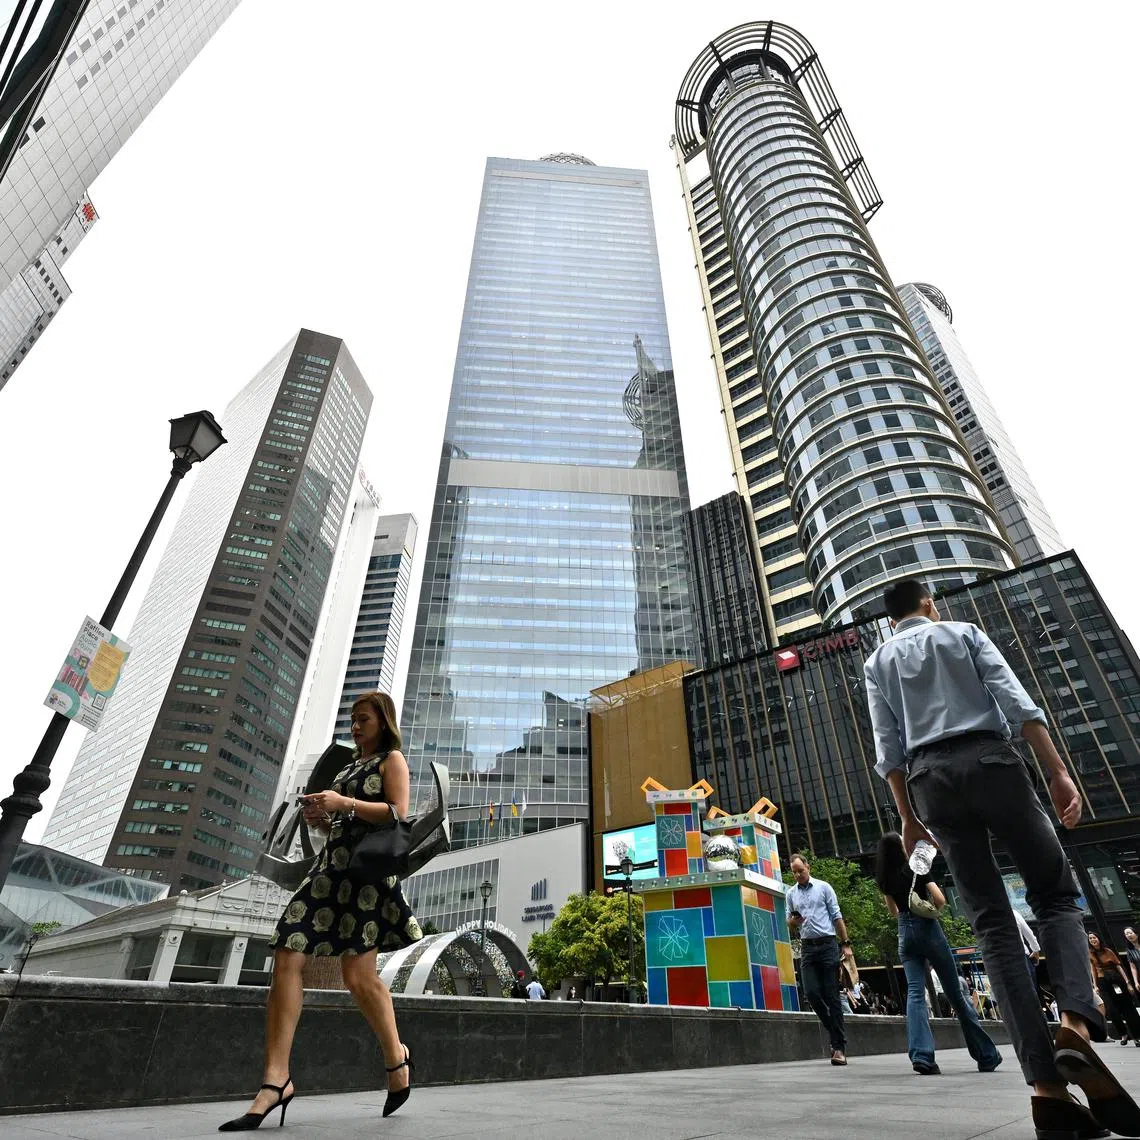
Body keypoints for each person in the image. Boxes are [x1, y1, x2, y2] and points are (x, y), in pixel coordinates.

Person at [866, 578, 1134, 1140]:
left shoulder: (878, 663)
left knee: (990, 922)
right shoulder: (963, 632)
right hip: (990, 761)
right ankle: (1075, 1025)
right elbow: (1014, 700)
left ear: (891, 620)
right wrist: (1058, 769)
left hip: (928, 782)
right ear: (930, 604)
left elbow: (887, 745)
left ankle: (1047, 1092)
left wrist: (910, 817)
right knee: (1055, 893)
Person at [218, 692, 423, 1131]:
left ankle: (396, 1059)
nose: (355, 726)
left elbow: (397, 814)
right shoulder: (348, 768)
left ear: (382, 721)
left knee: (358, 978)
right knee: (287, 953)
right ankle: (276, 1080)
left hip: (364, 878)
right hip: (327, 872)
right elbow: (344, 821)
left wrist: (342, 803)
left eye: (362, 719)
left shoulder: (392, 761)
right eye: (352, 720)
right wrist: (322, 818)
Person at [874, 831, 1002, 1076]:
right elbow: (941, 900)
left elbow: (893, 911)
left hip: (905, 933)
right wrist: (929, 908)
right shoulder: (917, 869)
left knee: (914, 993)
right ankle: (986, 1055)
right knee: (954, 991)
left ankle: (922, 1055)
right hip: (928, 929)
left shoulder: (884, 878)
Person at [785, 853, 853, 1065]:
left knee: (832, 996)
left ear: (808, 867)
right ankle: (835, 1032)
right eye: (794, 872)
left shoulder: (824, 887)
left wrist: (846, 943)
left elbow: (836, 915)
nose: (797, 875)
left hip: (827, 945)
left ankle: (838, 1047)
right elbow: (789, 923)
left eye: (800, 870)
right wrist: (793, 921)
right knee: (812, 993)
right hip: (807, 947)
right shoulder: (790, 894)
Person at [1088, 933, 1140, 1047]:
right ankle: (1123, 1034)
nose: (1093, 940)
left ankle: (1136, 1036)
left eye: (1094, 937)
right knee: (1111, 1010)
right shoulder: (1090, 954)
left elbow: (1118, 966)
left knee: (1127, 1008)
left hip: (1116, 980)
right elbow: (1093, 970)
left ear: (1098, 939)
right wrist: (1095, 985)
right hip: (1103, 982)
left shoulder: (1108, 951)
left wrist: (1128, 983)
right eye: (1090, 938)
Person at [1015, 910, 1044, 995]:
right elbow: (1029, 934)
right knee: (1032, 991)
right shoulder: (1014, 913)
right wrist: (1035, 950)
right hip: (1022, 958)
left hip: (1000, 962)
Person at [1124, 928, 1140, 992]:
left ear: (1136, 934)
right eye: (1126, 934)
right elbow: (1133, 967)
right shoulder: (1129, 951)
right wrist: (1136, 982)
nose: (1129, 935)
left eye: (1130, 933)